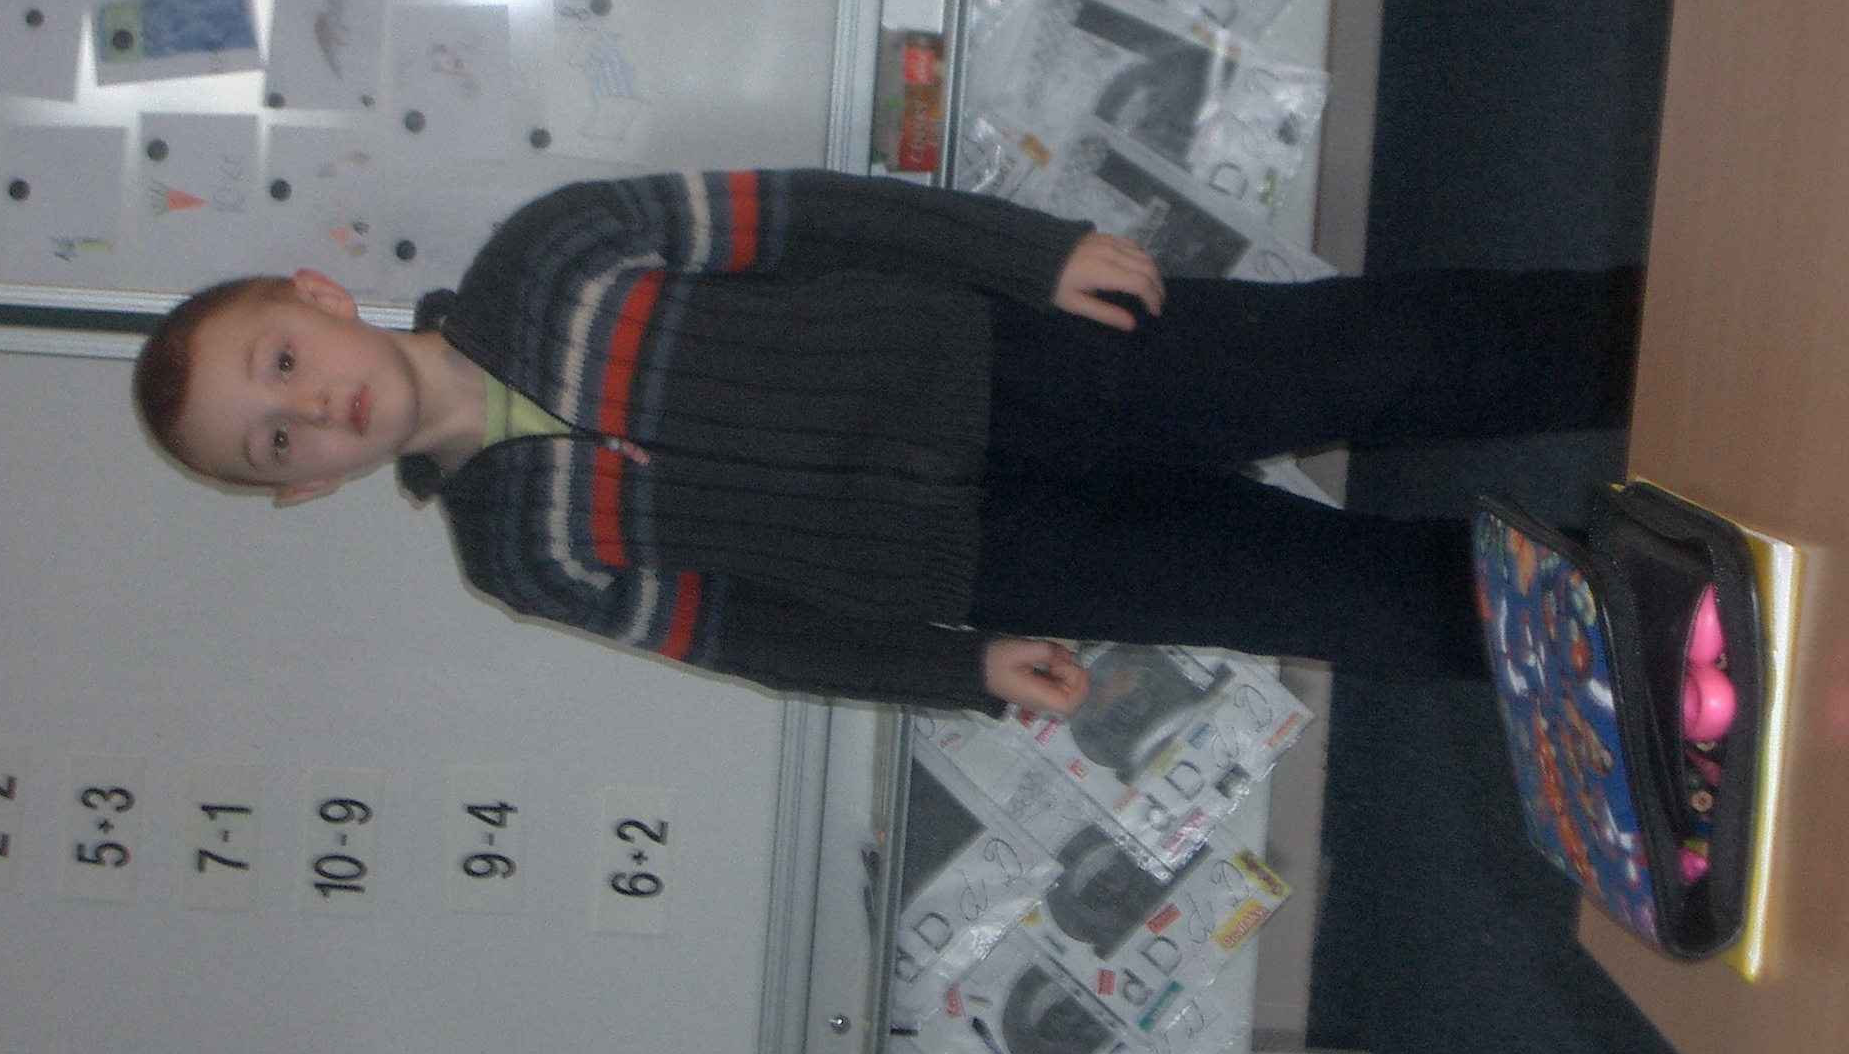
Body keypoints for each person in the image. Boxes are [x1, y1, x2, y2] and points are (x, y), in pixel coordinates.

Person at [133, 169, 1639, 718]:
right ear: (302, 493)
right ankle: (1641, 643)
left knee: (1367, 360)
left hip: (1019, 366)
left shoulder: (550, 250)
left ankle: (1671, 335)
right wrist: (958, 670)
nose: (312, 411)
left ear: (318, 295)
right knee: (1328, 603)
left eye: (284, 365)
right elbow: (754, 637)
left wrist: (1027, 251)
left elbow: (817, 214)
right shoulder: (516, 557)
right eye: (275, 445)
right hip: (991, 560)